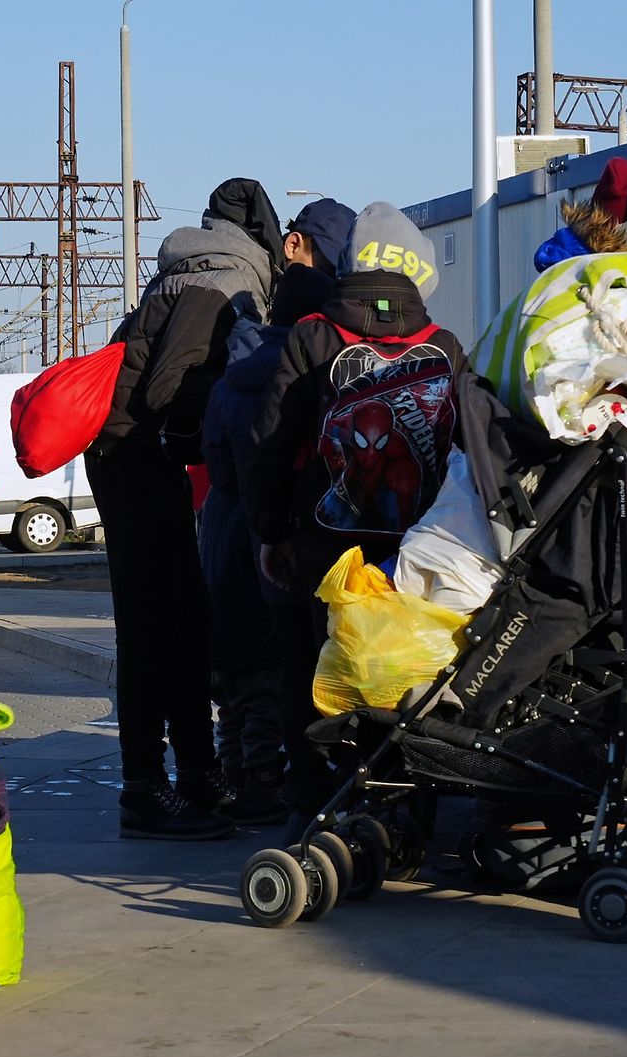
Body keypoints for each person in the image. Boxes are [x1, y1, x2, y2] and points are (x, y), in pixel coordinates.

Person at [246, 202, 465, 830]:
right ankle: (406, 805)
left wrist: (269, 533)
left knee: (311, 672)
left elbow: (272, 446)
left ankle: (316, 806)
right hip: (418, 552)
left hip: (324, 548)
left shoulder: (312, 337)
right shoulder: (443, 346)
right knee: (409, 672)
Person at [89, 178, 284, 840]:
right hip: (132, 460)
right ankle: (143, 790)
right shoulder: (216, 285)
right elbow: (168, 386)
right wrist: (230, 422)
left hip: (138, 460)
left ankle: (198, 775)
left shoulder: (193, 271)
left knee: (189, 625)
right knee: (152, 632)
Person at [201, 218, 348, 826]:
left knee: (234, 675)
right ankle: (265, 783)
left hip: (221, 529)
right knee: (277, 670)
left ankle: (235, 773)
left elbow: (211, 457)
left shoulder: (232, 378)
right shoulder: (312, 375)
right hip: (276, 535)